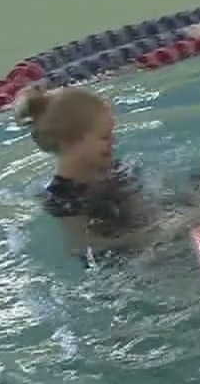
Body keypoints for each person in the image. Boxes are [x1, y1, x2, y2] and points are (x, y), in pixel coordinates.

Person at [21, 86, 157, 261]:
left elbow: (144, 212)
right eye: (105, 137)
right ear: (71, 144)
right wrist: (144, 238)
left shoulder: (117, 169)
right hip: (120, 259)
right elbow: (79, 246)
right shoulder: (63, 196)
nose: (114, 141)